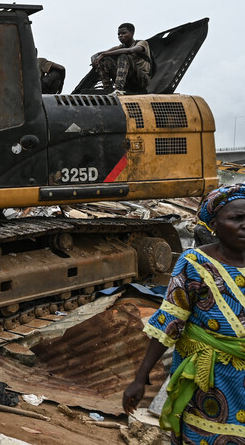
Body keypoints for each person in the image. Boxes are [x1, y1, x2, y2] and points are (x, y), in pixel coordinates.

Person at [123, 184, 245, 443]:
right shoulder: (194, 263)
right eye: (236, 219)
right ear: (214, 224)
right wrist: (140, 378)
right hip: (208, 378)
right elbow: (170, 321)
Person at [91, 23, 152, 95]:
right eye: (119, 34)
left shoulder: (141, 43)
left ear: (132, 33)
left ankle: (118, 89)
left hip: (141, 80)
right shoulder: (120, 47)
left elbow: (130, 51)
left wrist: (104, 54)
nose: (120, 36)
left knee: (123, 56)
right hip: (128, 81)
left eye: (124, 33)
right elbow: (98, 54)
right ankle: (107, 88)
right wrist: (95, 60)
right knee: (104, 60)